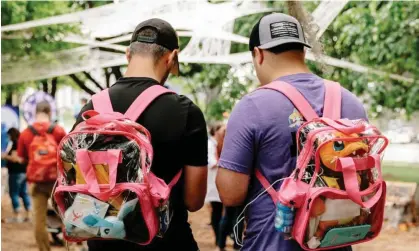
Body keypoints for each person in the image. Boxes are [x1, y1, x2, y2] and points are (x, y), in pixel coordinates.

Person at [216, 13, 367, 251]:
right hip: (333, 242)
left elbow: (231, 194)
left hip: (271, 243)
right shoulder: (351, 102)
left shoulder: (253, 105)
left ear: (258, 54)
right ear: (303, 51)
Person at [73, 18, 208, 251]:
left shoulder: (90, 110)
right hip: (166, 241)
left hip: (103, 240)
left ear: (128, 54)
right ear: (171, 57)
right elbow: (194, 201)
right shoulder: (186, 112)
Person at [17, 101, 66, 251]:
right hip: (57, 182)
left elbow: (21, 158)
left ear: (35, 113)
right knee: (67, 215)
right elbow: (67, 154)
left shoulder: (25, 133)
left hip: (37, 183)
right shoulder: (58, 131)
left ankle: (44, 249)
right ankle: (70, 246)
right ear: (50, 112)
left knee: (39, 219)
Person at [1, 128, 31, 223]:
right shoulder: (22, 143)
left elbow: (15, 159)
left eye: (9, 135)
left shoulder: (15, 143)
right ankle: (29, 214)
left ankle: (17, 216)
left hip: (15, 172)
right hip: (23, 171)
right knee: (23, 193)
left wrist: (4, 156)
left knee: (13, 193)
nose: (8, 137)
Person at [206, 123, 225, 246]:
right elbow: (212, 163)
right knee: (216, 211)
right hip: (213, 183)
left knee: (219, 211)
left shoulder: (217, 144)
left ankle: (219, 238)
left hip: (218, 183)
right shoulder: (210, 145)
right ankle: (218, 239)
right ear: (216, 132)